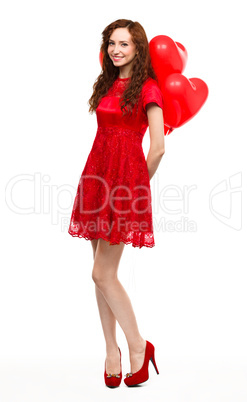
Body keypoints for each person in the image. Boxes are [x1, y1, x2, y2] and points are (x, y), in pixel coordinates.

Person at [68, 19, 165, 387]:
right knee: (100, 271)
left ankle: (139, 345)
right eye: (111, 43)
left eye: (124, 43)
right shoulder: (108, 83)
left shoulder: (149, 88)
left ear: (138, 47)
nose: (116, 49)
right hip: (96, 177)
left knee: (101, 273)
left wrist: (135, 188)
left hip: (124, 186)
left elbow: (157, 148)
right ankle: (111, 350)